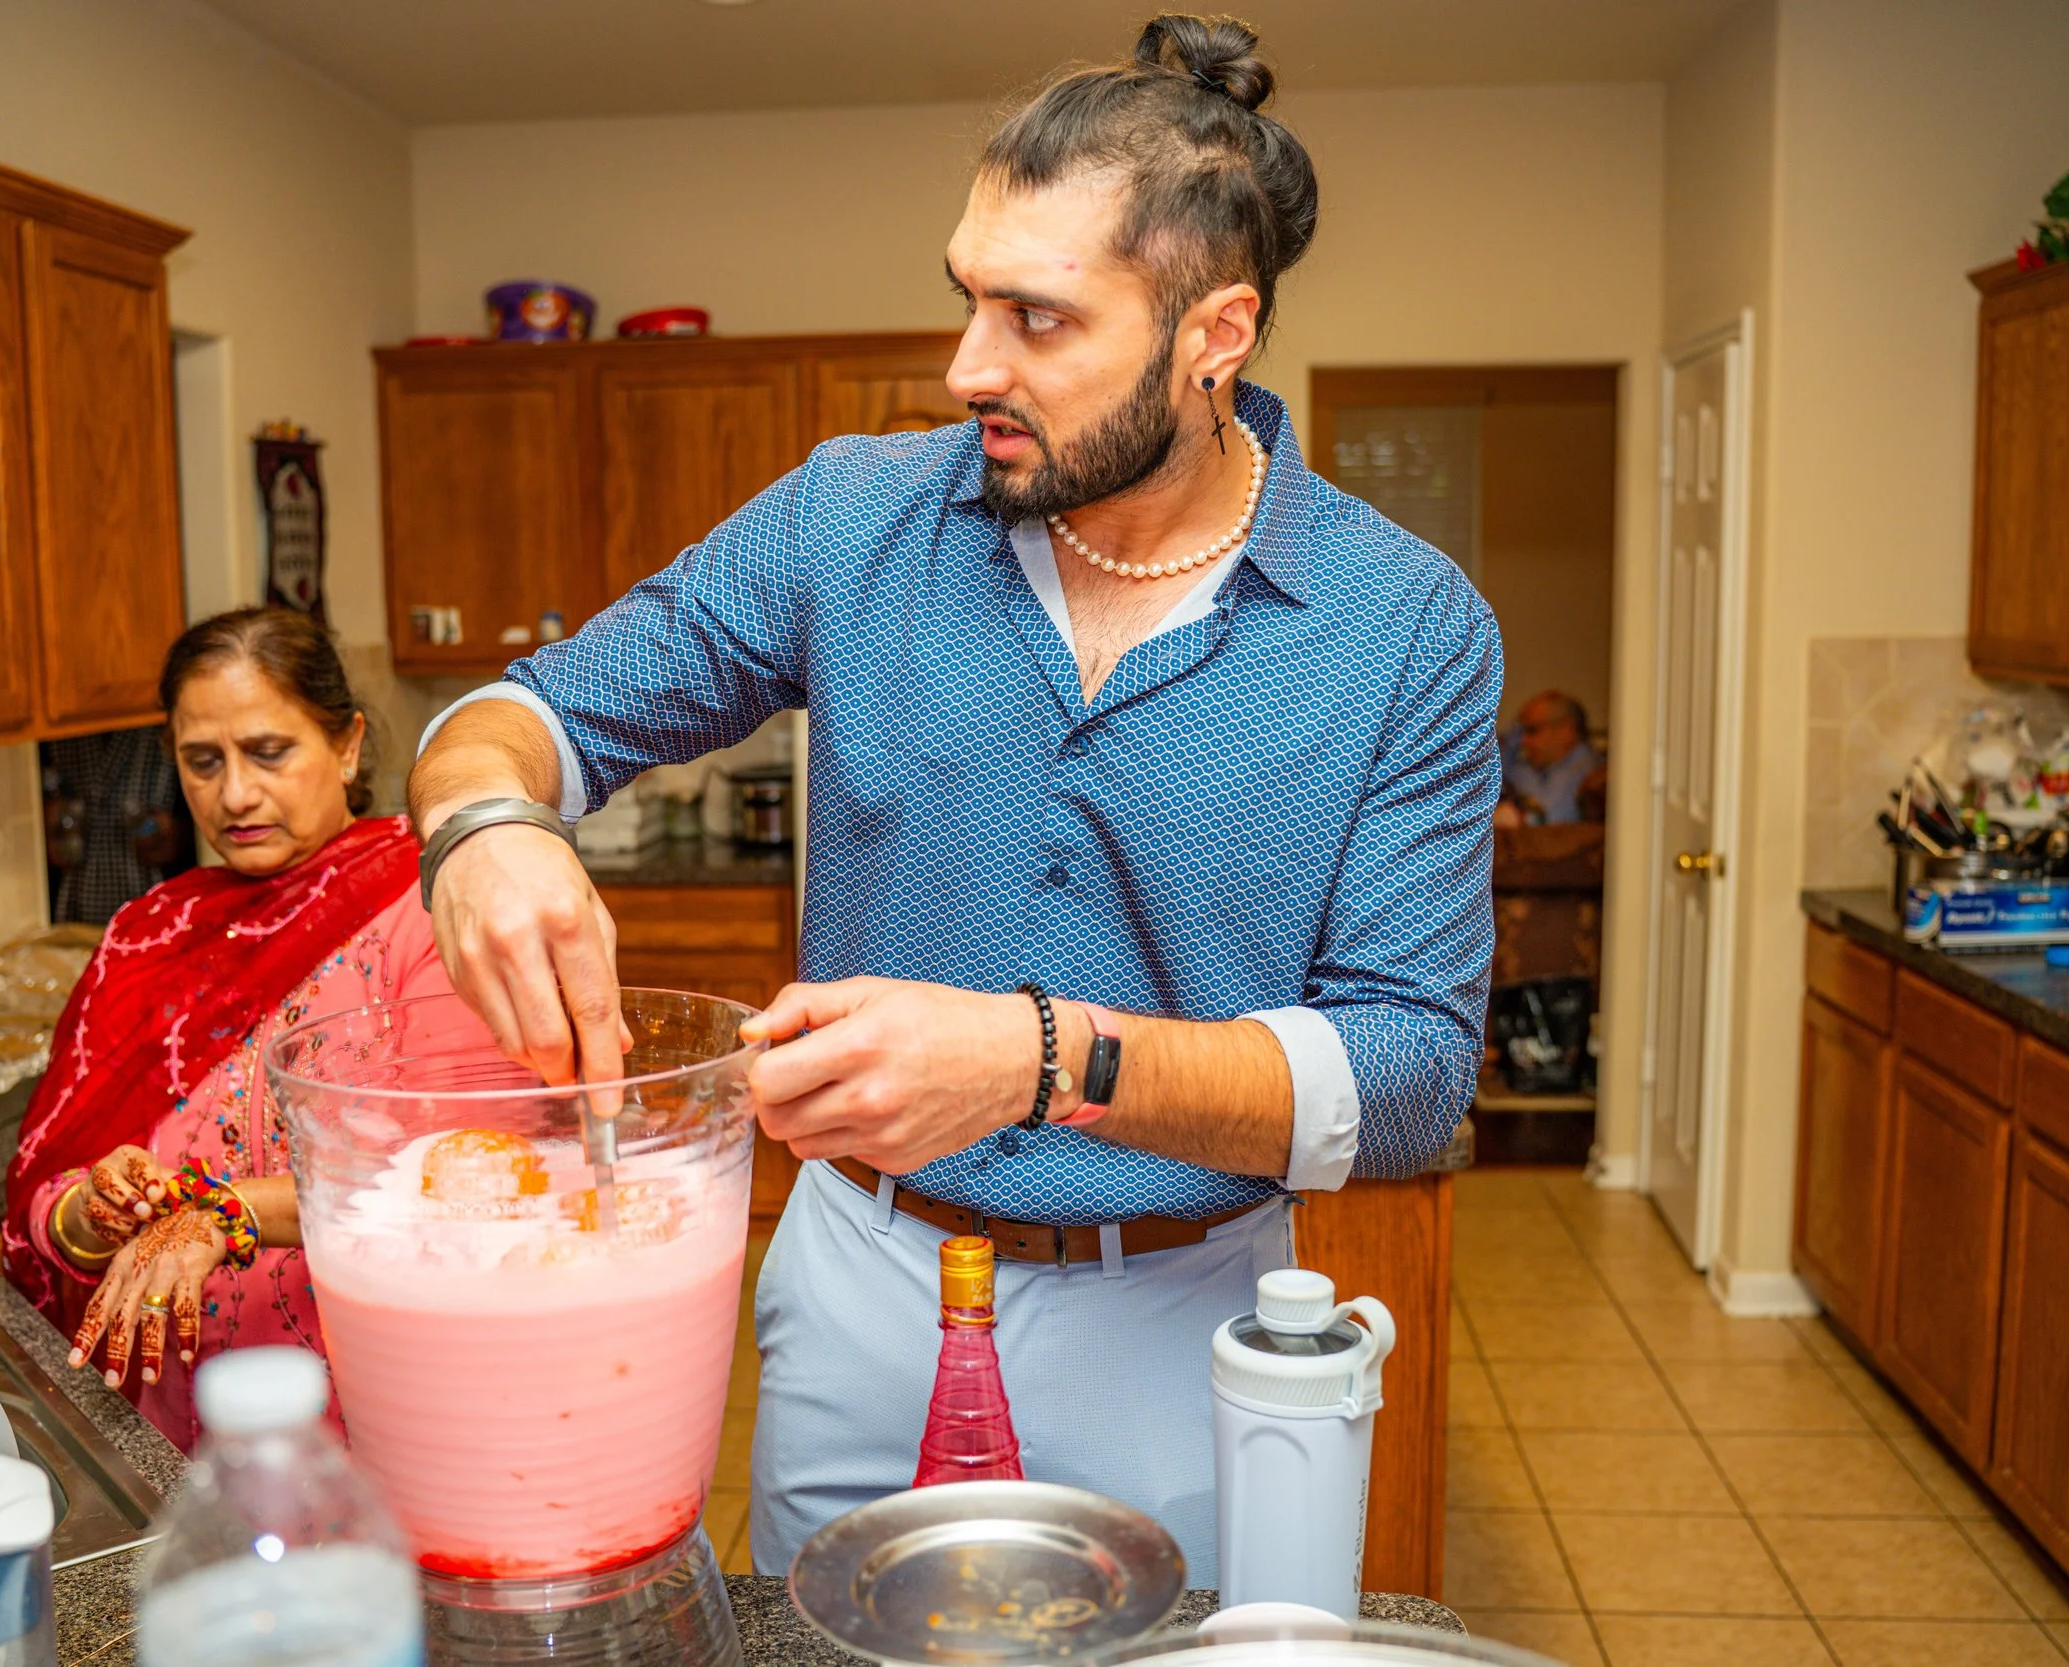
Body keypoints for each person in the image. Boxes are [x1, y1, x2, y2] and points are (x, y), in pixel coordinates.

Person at [408, 15, 1497, 1581]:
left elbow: (1408, 1074)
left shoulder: (1408, 624)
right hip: (860, 1282)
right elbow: (523, 716)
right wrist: (486, 828)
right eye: (969, 298)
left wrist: (1038, 1056)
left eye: (1038, 318)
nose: (968, 365)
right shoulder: (852, 517)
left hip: (1179, 1318)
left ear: (1216, 333)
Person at [4, 608, 449, 1449]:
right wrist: (93, 1211)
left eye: (269, 752)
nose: (235, 793)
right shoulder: (149, 935)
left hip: (366, 1416)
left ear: (347, 746)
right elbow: (43, 1199)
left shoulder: (430, 904)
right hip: (172, 1424)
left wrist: (226, 1209)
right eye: (202, 762)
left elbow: (454, 1175)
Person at [1499, 690, 1606, 827]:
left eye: (1532, 730)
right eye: (1521, 732)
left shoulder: (1583, 771)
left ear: (1565, 730)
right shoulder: (1536, 767)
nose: (1524, 741)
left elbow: (1544, 818)